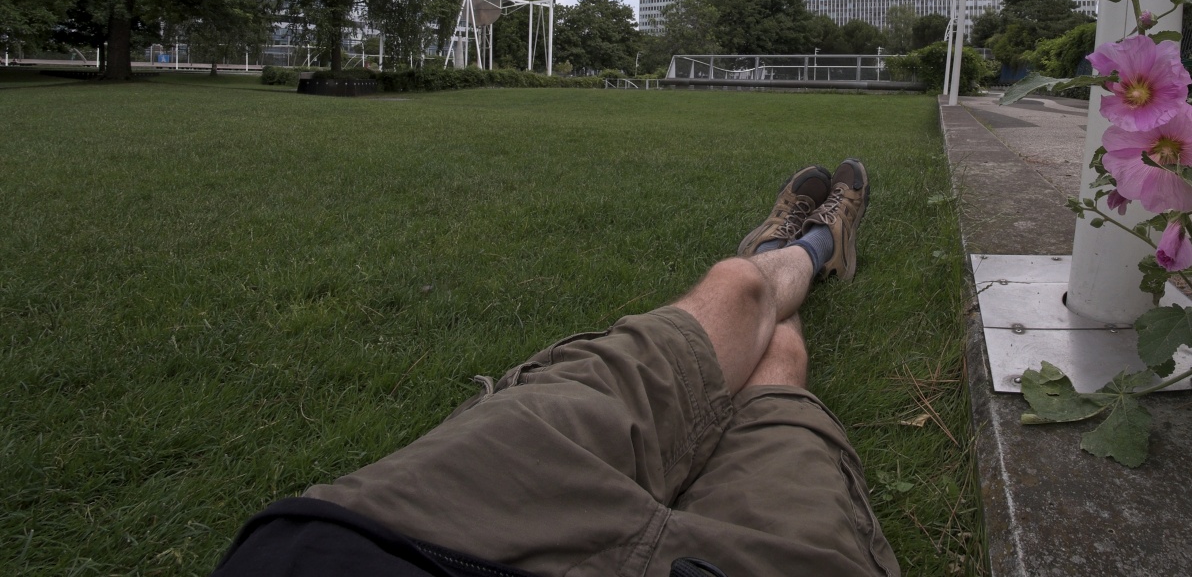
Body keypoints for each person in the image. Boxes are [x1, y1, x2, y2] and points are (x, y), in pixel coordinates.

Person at [214, 159, 900, 577]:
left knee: (738, 289)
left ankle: (792, 248)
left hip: (422, 527)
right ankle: (811, 245)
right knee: (779, 360)